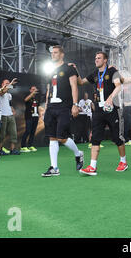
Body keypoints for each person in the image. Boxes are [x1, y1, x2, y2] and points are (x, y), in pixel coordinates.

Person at [72, 51, 128, 176]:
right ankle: (92, 166)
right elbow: (80, 82)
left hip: (112, 108)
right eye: (95, 58)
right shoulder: (94, 74)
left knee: (117, 137)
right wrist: (75, 70)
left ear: (105, 60)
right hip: (98, 110)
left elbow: (119, 86)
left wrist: (110, 97)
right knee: (95, 138)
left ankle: (123, 162)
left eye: (99, 58)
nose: (96, 60)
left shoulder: (113, 71)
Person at [41, 45, 84, 177]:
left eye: (55, 53)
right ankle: (54, 168)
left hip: (64, 107)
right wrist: (46, 107)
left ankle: (78, 154)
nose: (53, 55)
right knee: (52, 138)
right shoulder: (50, 71)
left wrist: (75, 104)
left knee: (62, 137)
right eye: (52, 53)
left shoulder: (69, 68)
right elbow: (49, 89)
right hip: (51, 108)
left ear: (62, 54)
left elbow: (74, 86)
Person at [0, 78, 20, 156]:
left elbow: (9, 104)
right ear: (2, 84)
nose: (8, 84)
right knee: (2, 134)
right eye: (6, 83)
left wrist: (12, 109)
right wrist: (11, 83)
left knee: (14, 133)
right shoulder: (0, 91)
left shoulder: (9, 95)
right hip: (3, 115)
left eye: (8, 83)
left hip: (10, 115)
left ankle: (12, 149)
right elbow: (2, 92)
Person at [21, 85, 41, 153]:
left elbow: (38, 106)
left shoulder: (37, 98)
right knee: (28, 131)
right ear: (30, 90)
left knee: (33, 132)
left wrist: (40, 114)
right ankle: (23, 146)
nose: (34, 91)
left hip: (36, 116)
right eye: (32, 89)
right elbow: (25, 100)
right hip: (29, 116)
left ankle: (30, 145)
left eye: (35, 89)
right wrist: (32, 93)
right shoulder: (28, 96)